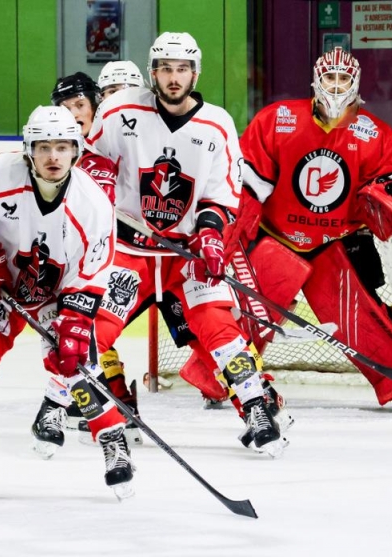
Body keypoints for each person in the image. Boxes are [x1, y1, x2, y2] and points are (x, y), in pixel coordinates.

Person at [0, 105, 136, 501]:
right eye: (44, 146)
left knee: (77, 365)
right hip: (1, 285)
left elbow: (90, 275)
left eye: (63, 147)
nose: (54, 157)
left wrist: (71, 328)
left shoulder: (94, 206)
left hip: (59, 293)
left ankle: (113, 442)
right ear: (28, 149)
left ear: (77, 150)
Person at [87, 32, 290, 457]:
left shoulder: (217, 124)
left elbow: (221, 192)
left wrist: (212, 235)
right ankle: (119, 408)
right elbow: (89, 159)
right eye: (165, 69)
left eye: (182, 69)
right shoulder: (119, 109)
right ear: (152, 72)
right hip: (131, 251)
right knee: (92, 329)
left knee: (217, 326)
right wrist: (100, 181)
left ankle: (255, 406)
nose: (173, 78)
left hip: (187, 256)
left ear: (195, 73)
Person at [237, 46, 392, 409]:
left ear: (355, 83)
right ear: (315, 80)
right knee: (252, 313)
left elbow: (391, 185)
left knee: (359, 313)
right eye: (329, 77)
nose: (336, 86)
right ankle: (216, 378)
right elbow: (249, 185)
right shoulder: (277, 119)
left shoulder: (377, 135)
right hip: (277, 237)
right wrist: (235, 234)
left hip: (335, 242)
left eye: (343, 79)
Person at [30, 70, 140, 458]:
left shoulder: (108, 154)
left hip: (113, 261)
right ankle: (73, 407)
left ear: (95, 106)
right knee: (67, 339)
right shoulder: (50, 154)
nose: (73, 114)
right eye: (65, 107)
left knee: (85, 334)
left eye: (80, 105)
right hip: (62, 262)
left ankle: (79, 404)